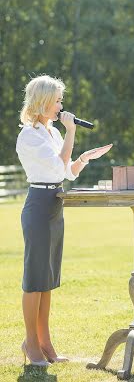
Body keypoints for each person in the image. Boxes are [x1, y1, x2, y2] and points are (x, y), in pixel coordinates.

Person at [17, 74, 112, 366]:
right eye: (57, 100)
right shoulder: (29, 135)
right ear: (43, 101)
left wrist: (83, 158)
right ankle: (30, 344)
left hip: (56, 206)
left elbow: (67, 171)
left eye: (61, 100)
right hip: (38, 206)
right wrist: (71, 131)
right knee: (34, 280)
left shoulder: (52, 133)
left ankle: (45, 344)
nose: (61, 106)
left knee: (47, 279)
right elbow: (58, 165)